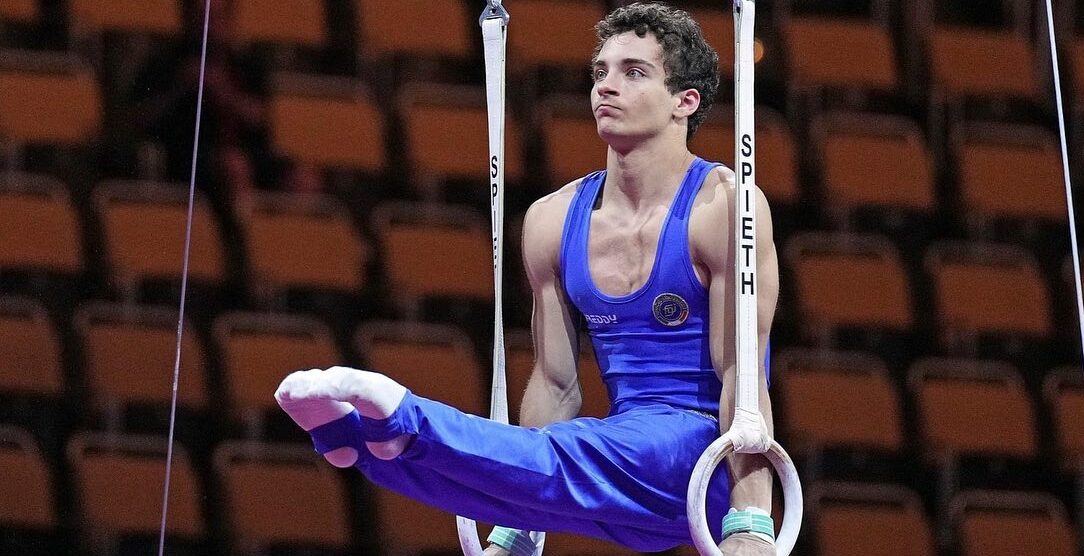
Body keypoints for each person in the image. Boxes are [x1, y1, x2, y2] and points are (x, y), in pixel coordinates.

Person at [274, 3, 778, 554]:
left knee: (582, 449)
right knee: (545, 454)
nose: (606, 87)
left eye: (634, 72)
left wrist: (750, 520)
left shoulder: (725, 207)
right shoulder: (552, 220)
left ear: (685, 102)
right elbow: (556, 383)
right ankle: (361, 446)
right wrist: (518, 532)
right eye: (600, 72)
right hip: (620, 475)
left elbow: (742, 374)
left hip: (701, 459)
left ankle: (406, 419)